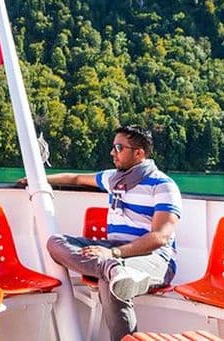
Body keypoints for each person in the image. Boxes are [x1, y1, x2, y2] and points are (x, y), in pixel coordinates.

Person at [19, 125, 182, 341]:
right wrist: (38, 181)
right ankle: (113, 270)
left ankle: (114, 272)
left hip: (154, 258)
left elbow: (160, 237)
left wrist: (114, 254)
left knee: (111, 281)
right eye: (113, 147)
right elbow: (76, 179)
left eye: (119, 147)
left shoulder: (162, 185)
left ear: (139, 153)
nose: (112, 152)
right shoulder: (113, 179)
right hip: (114, 252)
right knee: (56, 242)